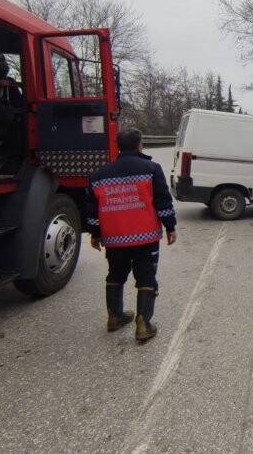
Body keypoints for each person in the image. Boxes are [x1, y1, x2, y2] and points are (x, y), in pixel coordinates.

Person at [86, 128, 177, 344]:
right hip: (145, 238)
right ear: (140, 144)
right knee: (146, 277)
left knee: (115, 275)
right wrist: (170, 226)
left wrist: (95, 234)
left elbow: (92, 209)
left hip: (115, 239)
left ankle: (114, 317)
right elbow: (162, 200)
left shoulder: (99, 174)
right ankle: (143, 325)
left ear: (119, 146)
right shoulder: (151, 169)